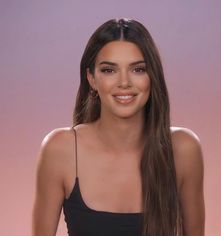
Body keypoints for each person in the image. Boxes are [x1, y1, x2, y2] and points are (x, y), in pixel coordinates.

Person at [32, 18, 205, 236]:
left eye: (138, 69)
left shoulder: (184, 150)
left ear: (152, 77)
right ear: (92, 79)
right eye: (109, 70)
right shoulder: (60, 150)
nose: (124, 82)